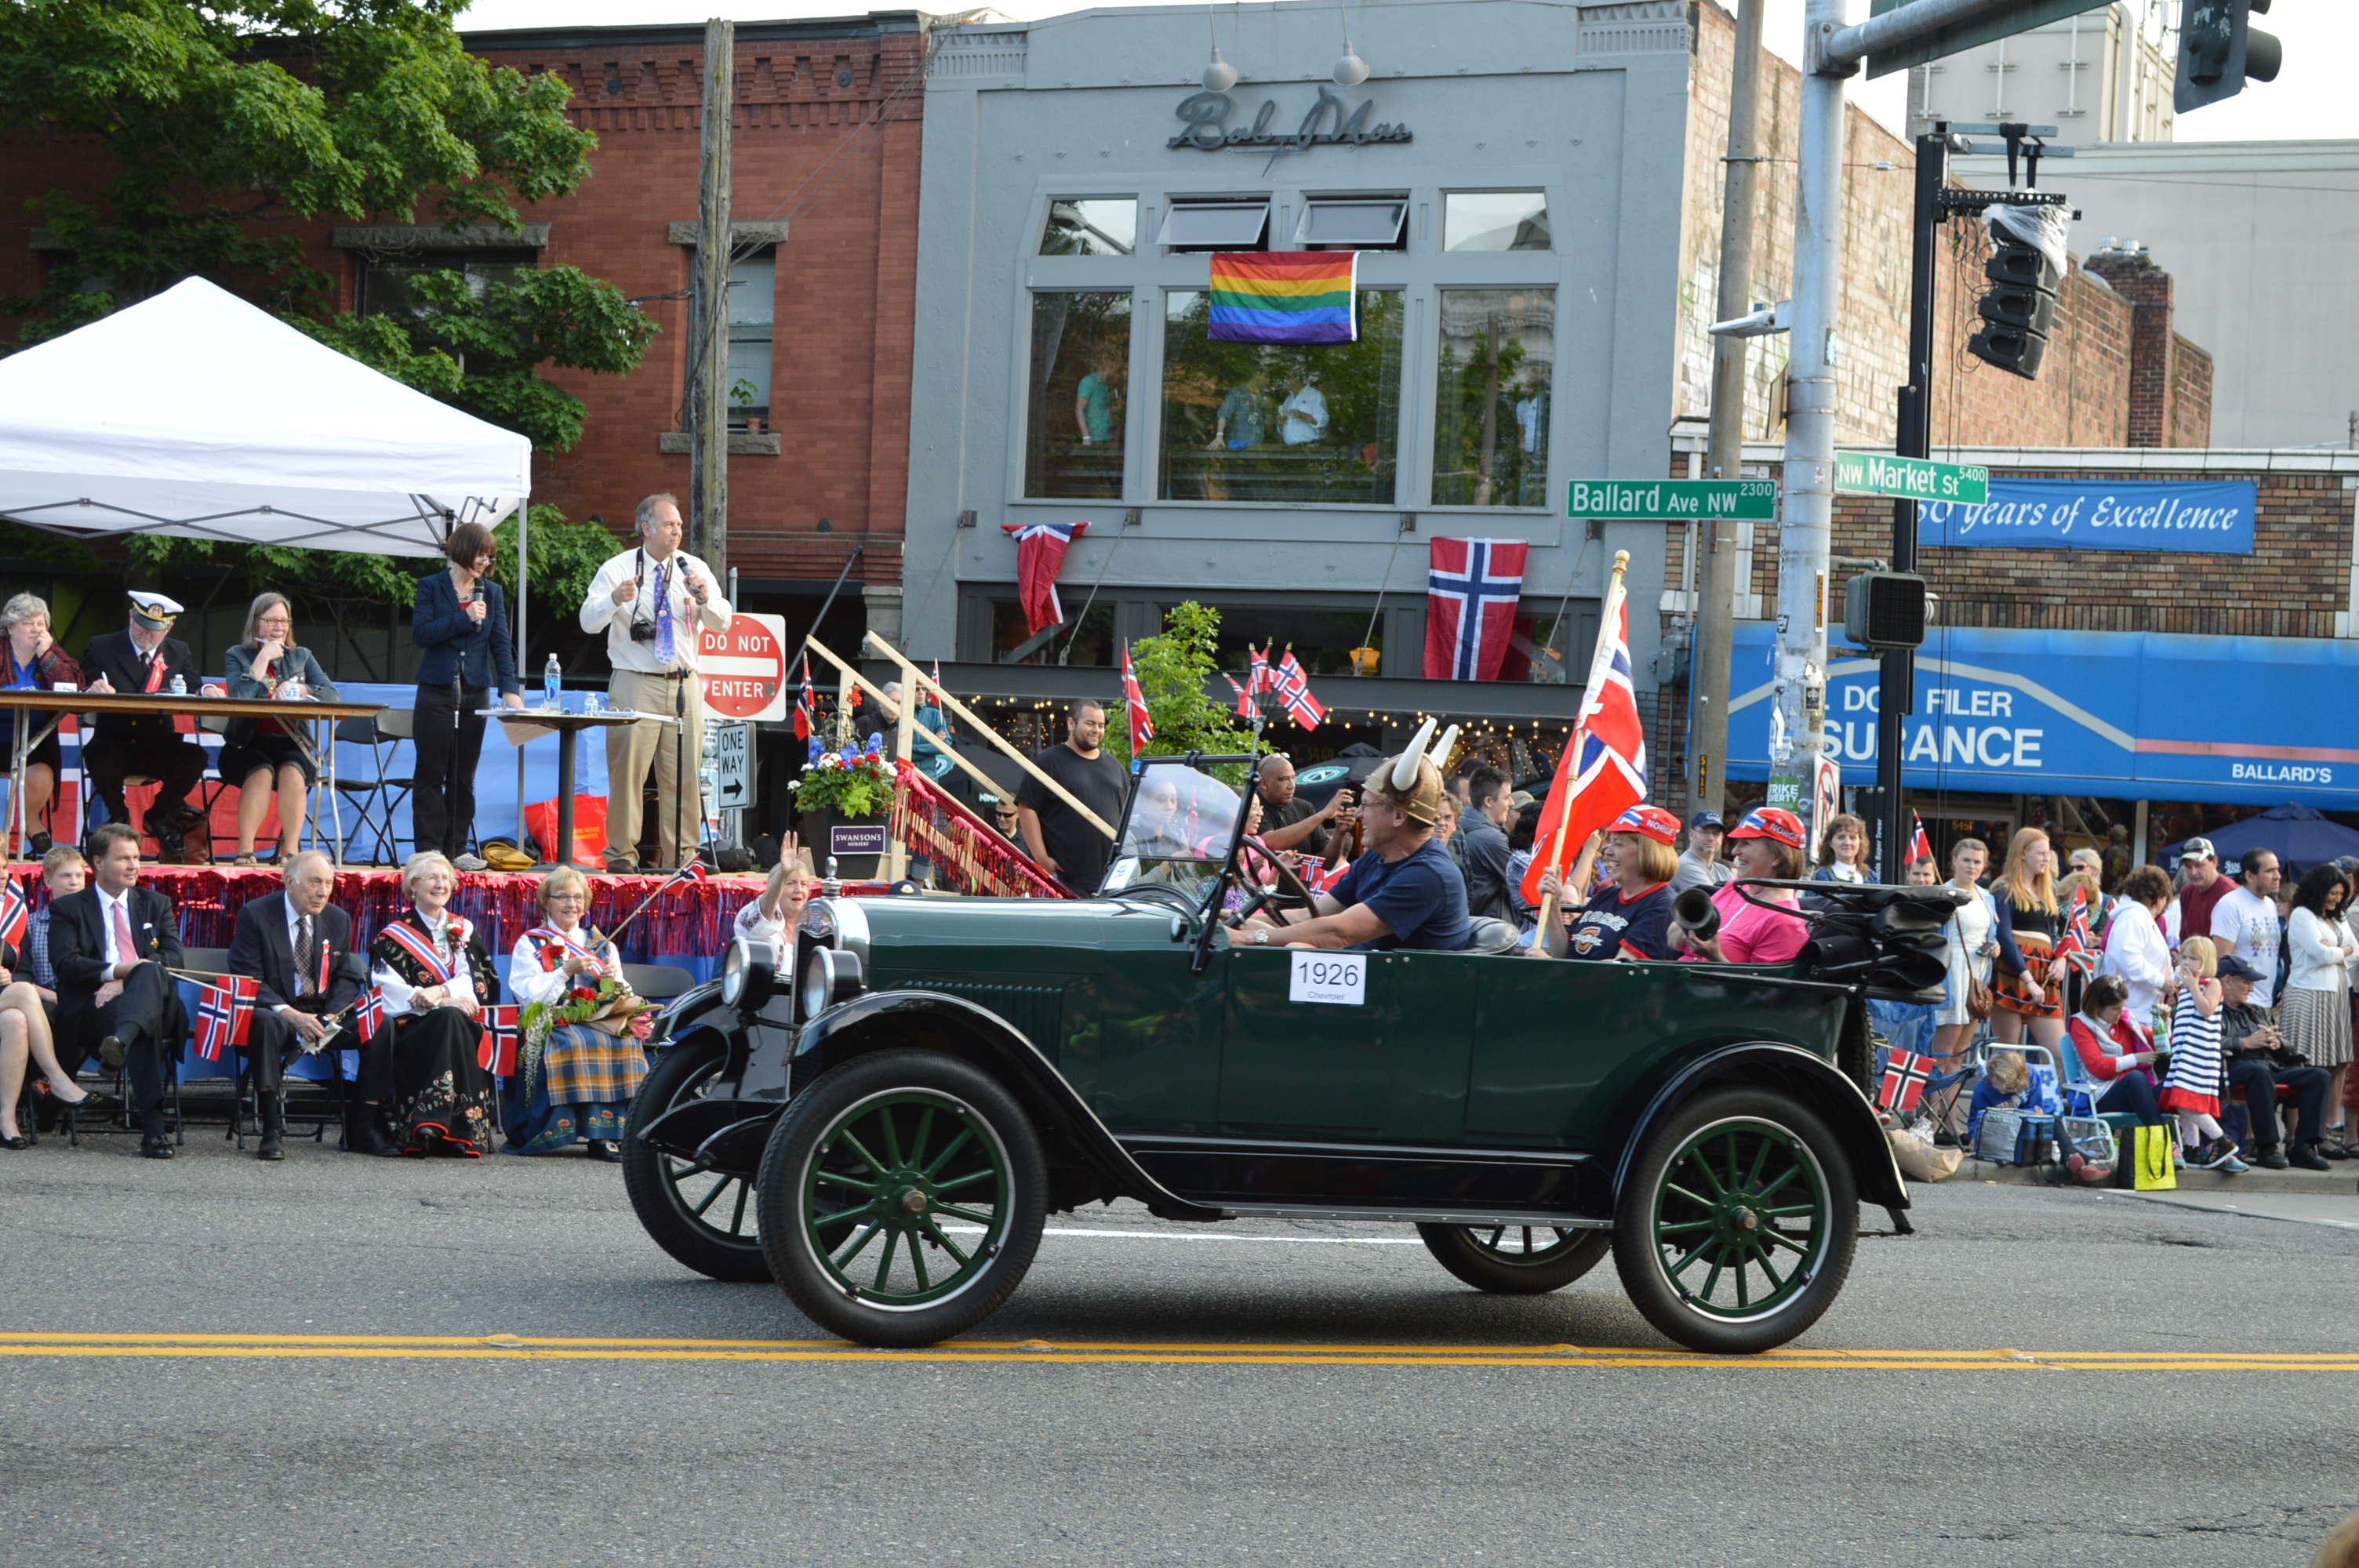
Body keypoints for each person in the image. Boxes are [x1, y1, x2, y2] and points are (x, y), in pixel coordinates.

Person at [580, 494, 733, 872]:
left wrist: (705, 599)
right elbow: (588, 622)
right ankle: (621, 855)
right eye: (669, 525)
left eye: (679, 525)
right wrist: (615, 599)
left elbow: (723, 623)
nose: (677, 531)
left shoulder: (694, 568)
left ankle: (684, 856)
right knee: (628, 771)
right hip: (635, 681)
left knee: (683, 773)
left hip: (684, 684)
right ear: (646, 528)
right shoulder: (618, 568)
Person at [1238, 725, 1470, 953]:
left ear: (1398, 816)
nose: (1358, 813)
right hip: (1369, 970)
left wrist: (1249, 938)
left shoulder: (1429, 874)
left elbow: (1339, 932)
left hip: (1397, 978)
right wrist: (1234, 918)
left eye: (1366, 804)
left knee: (1294, 946)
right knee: (1279, 938)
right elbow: (1310, 915)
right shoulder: (1376, 858)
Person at [50, 821, 188, 1157]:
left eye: (136, 857)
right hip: (96, 1008)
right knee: (142, 1021)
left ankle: (120, 1042)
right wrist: (115, 971)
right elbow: (66, 964)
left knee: (148, 975)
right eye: (124, 858)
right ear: (98, 862)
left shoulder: (156, 903)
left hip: (156, 1005)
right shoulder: (68, 908)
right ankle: (154, 1130)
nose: (133, 865)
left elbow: (174, 958)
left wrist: (127, 981)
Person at [223, 848, 362, 1160]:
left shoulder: (338, 919)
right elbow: (247, 977)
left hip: (323, 1013)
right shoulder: (256, 915)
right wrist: (291, 1015)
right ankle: (271, 1128)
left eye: (329, 883)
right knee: (263, 1022)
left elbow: (346, 976)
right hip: (280, 1013)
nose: (323, 891)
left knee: (380, 1024)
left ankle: (366, 1125)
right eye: (315, 882)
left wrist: (332, 1014)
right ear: (289, 882)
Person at [505, 866, 652, 1159]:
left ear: (585, 904)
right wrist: (564, 972)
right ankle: (561, 1129)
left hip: (599, 1017)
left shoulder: (602, 943)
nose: (571, 904)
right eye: (562, 897)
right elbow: (528, 994)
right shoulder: (530, 943)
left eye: (578, 897)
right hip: (552, 1016)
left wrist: (613, 979)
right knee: (576, 1042)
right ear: (547, 902)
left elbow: (624, 992)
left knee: (626, 1041)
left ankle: (610, 1134)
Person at [366, 851, 501, 1157]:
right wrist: (439, 1002)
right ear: (413, 886)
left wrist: (441, 992)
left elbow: (479, 981)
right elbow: (386, 991)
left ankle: (433, 1122)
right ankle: (454, 1129)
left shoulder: (463, 930)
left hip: (459, 1022)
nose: (441, 885)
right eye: (433, 878)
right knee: (449, 1017)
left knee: (452, 1018)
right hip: (413, 1026)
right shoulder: (392, 937)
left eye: (446, 879)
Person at [410, 522, 524, 869]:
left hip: (475, 689)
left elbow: (500, 643)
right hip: (436, 688)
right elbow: (421, 634)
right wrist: (464, 618)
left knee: (464, 773)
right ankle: (429, 849)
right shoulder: (431, 586)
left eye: (490, 557)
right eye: (480, 555)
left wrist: (509, 689)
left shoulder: (492, 592)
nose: (485, 562)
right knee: (431, 771)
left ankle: (457, 847)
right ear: (462, 550)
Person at [80, 590, 205, 862]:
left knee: (195, 757)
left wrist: (209, 690)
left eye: (155, 629)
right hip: (115, 742)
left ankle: (160, 815)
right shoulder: (102, 646)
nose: (146, 633)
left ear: (168, 628)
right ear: (131, 616)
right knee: (98, 756)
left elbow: (195, 686)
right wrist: (91, 689)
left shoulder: (178, 651)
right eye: (142, 625)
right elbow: (80, 687)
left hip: (158, 744)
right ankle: (118, 817)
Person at [220, 592, 340, 867]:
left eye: (284, 621)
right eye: (271, 621)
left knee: (292, 771)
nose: (279, 628)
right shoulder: (237, 655)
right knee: (262, 770)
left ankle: (292, 852)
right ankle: (245, 851)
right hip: (247, 743)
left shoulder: (302, 656)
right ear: (256, 622)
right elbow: (239, 696)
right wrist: (263, 658)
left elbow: (332, 695)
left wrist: (302, 688)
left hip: (292, 741)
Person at [0, 849, 111, 1147]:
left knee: (16, 1019)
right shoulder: (29, 921)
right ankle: (57, 1080)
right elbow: (25, 980)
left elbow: (19, 970)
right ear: (48, 881)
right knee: (32, 996)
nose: (2, 875)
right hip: (42, 1000)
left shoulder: (8, 914)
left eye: (4, 867)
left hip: (70, 1004)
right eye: (66, 876)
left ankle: (7, 1119)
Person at [2217, 953, 2334, 1171]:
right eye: (2247, 983)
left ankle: (2303, 1148)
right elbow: (2206, 1043)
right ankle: (2267, 1148)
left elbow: (2289, 1049)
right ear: (2228, 981)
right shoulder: (2212, 1011)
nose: (2252, 989)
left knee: (2319, 1076)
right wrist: (2244, 1043)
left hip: (2269, 1066)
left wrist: (2278, 1044)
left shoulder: (2256, 1012)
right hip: (2232, 1067)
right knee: (2259, 1073)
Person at [1532, 805, 1681, 962]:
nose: (1608, 852)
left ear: (1647, 852)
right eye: (1611, 843)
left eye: (1618, 844)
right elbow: (1562, 952)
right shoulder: (1607, 895)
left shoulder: (1662, 906)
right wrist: (1553, 905)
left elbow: (1619, 969)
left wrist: (1551, 964)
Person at [2278, 862, 2357, 1159]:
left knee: (2336, 1063)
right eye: (2332, 893)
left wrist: (2337, 952)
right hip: (2307, 995)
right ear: (2318, 890)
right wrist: (2342, 951)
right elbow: (2321, 954)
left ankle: (2323, 1131)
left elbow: (2355, 951)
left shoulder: (2338, 917)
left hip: (2337, 994)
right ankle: (2296, 1135)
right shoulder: (2302, 915)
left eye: (2340, 894)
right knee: (2304, 1065)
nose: (2336, 899)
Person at [1670, 807, 1812, 965]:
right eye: (1738, 843)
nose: (1735, 851)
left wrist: (1714, 956)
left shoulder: (1785, 922)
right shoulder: (1736, 887)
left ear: (1777, 856)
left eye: (1746, 843)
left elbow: (1760, 981)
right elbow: (1673, 938)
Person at [1014, 700, 1129, 896]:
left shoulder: (1115, 767)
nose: (1096, 730)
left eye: (1101, 725)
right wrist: (1042, 858)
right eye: (1090, 723)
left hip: (1110, 880)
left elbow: (1126, 815)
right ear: (1071, 723)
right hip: (1064, 880)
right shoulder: (1047, 763)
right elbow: (1027, 808)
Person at [0, 593, 81, 856]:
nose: (36, 630)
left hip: (33, 740)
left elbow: (74, 684)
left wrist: (46, 656)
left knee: (42, 773)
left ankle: (31, 821)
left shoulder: (52, 652)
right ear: (10, 628)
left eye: (41, 624)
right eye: (28, 624)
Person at [2159, 936, 2245, 1171]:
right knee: (2181, 1102)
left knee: (2191, 1104)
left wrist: (2195, 986)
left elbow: (2207, 1009)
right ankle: (2192, 1147)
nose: (2187, 962)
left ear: (2205, 962)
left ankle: (2222, 1141)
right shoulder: (2185, 989)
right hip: (2184, 1053)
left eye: (2193, 958)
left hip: (2201, 1056)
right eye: (2184, 957)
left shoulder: (2212, 984)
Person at [1989, 828, 2070, 1061]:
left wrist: (2061, 958)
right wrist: (2029, 980)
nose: (2047, 859)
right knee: (2006, 1054)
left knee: (2059, 1054)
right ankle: (2000, 1087)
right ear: (2023, 853)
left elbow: (2053, 934)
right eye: (2041, 853)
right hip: (2013, 971)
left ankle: (2038, 1087)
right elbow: (2004, 936)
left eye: (2048, 853)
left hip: (2044, 973)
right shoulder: (2004, 888)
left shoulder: (2047, 889)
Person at [1925, 837, 1998, 1092]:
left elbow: (1991, 934)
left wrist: (1995, 947)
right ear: (1954, 860)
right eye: (1966, 860)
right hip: (1951, 975)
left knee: (1959, 1057)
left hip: (1977, 978)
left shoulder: (1987, 896)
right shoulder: (1942, 893)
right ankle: (1930, 1115)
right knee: (1941, 1057)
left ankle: (1949, 1115)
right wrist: (1941, 913)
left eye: (1977, 862)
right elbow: (1928, 934)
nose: (1971, 866)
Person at [2065, 973, 2170, 1128]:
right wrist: (2136, 1058)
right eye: (2115, 1008)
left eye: (2123, 1007)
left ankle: (2200, 1139)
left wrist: (2163, 1022)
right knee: (2136, 1078)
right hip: (2101, 1098)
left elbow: (2159, 1048)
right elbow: (2099, 1067)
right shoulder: (2080, 1024)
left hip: (2134, 1095)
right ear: (2097, 1006)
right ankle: (2161, 1137)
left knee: (2176, 1082)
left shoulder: (2124, 1019)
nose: (2121, 1013)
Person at [2101, 863, 2176, 1035]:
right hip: (2130, 1012)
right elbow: (2127, 957)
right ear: (2157, 897)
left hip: (2139, 1010)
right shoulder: (2134, 916)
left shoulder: (2138, 916)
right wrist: (2161, 981)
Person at [2211, 848, 2284, 1010]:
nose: (2278, 876)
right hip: (2239, 1004)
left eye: (2277, 869)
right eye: (2270, 871)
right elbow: (2221, 960)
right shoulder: (2230, 905)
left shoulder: (2271, 905)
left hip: (2266, 1001)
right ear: (2250, 876)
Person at [734, 840, 816, 960]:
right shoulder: (752, 911)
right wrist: (784, 874)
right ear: (776, 889)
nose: (798, 890)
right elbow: (764, 917)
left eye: (803, 884)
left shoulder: (815, 927)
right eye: (791, 883)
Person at [1254, 754, 1349, 858]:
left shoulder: (1304, 807)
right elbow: (1270, 845)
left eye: (1293, 778)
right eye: (1284, 779)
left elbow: (1325, 861)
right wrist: (1323, 814)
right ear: (1264, 784)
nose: (1292, 786)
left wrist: (1339, 833)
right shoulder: (1252, 809)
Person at [1459, 766, 1514, 923]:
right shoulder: (1491, 839)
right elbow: (1527, 881)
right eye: (1507, 798)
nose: (1512, 803)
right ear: (1489, 801)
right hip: (1494, 929)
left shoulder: (1463, 828)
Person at [2169, 837, 2231, 946]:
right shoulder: (2187, 892)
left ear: (2214, 862)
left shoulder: (2229, 893)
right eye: (2188, 867)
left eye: (2199, 865)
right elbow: (2184, 938)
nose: (2193, 872)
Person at [1806, 812, 1870, 905]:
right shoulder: (1822, 876)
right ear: (1831, 843)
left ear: (1860, 842)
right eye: (1841, 837)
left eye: (1853, 838)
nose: (1847, 843)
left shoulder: (1871, 876)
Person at [1670, 811, 1730, 895]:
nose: (1711, 838)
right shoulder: (1685, 865)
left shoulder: (1724, 870)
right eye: (1705, 832)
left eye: (1716, 833)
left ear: (1722, 838)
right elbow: (1714, 899)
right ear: (1692, 834)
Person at [1209, 370, 1268, 449]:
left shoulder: (1263, 397)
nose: (1268, 380)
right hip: (1238, 446)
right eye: (1266, 377)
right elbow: (1223, 415)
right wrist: (1219, 436)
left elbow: (1268, 422)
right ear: (1255, 376)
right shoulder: (1237, 393)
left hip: (1258, 446)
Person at [1074, 350, 1121, 448]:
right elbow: (1079, 408)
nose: (1115, 371)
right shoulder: (1089, 381)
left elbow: (1102, 409)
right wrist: (1086, 436)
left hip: (1107, 437)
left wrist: (1115, 409)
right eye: (1114, 366)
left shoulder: (1105, 385)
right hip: (1093, 439)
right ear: (1108, 366)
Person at [1278, 372, 1328, 445]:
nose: (1285, 382)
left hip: (1309, 447)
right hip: (1289, 448)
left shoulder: (1314, 395)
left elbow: (1323, 421)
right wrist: (1280, 423)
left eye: (1288, 379)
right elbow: (1284, 428)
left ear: (1297, 379)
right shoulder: (1288, 399)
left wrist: (1303, 416)